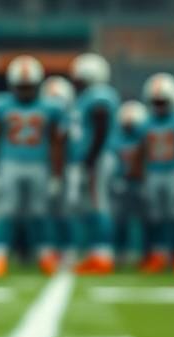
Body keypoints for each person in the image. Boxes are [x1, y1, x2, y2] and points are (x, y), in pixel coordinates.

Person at [0, 55, 64, 279]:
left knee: (40, 212)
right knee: (5, 212)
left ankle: (45, 255)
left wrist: (56, 174)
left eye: (29, 86)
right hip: (9, 163)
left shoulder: (50, 107)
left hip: (39, 164)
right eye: (21, 87)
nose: (25, 91)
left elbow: (56, 142)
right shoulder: (1, 105)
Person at [135, 73, 174, 275]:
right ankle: (158, 255)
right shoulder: (146, 122)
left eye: (163, 102)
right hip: (153, 172)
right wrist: (141, 176)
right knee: (154, 217)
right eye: (156, 102)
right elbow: (141, 151)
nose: (159, 106)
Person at [68, 53, 120, 276]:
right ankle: (96, 253)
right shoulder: (90, 95)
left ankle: (103, 256)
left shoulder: (99, 95)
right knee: (93, 205)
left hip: (99, 158)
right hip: (95, 157)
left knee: (99, 205)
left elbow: (101, 126)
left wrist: (90, 158)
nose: (75, 81)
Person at [39, 75, 75, 271]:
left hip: (68, 167)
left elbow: (62, 144)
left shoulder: (71, 117)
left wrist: (59, 173)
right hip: (46, 167)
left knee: (65, 211)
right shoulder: (43, 115)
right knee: (45, 211)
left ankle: (67, 250)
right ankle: (48, 249)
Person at [109, 100, 149, 266]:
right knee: (120, 220)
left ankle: (147, 253)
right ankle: (121, 252)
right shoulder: (116, 139)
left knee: (147, 221)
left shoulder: (145, 137)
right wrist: (117, 178)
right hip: (122, 183)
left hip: (141, 183)